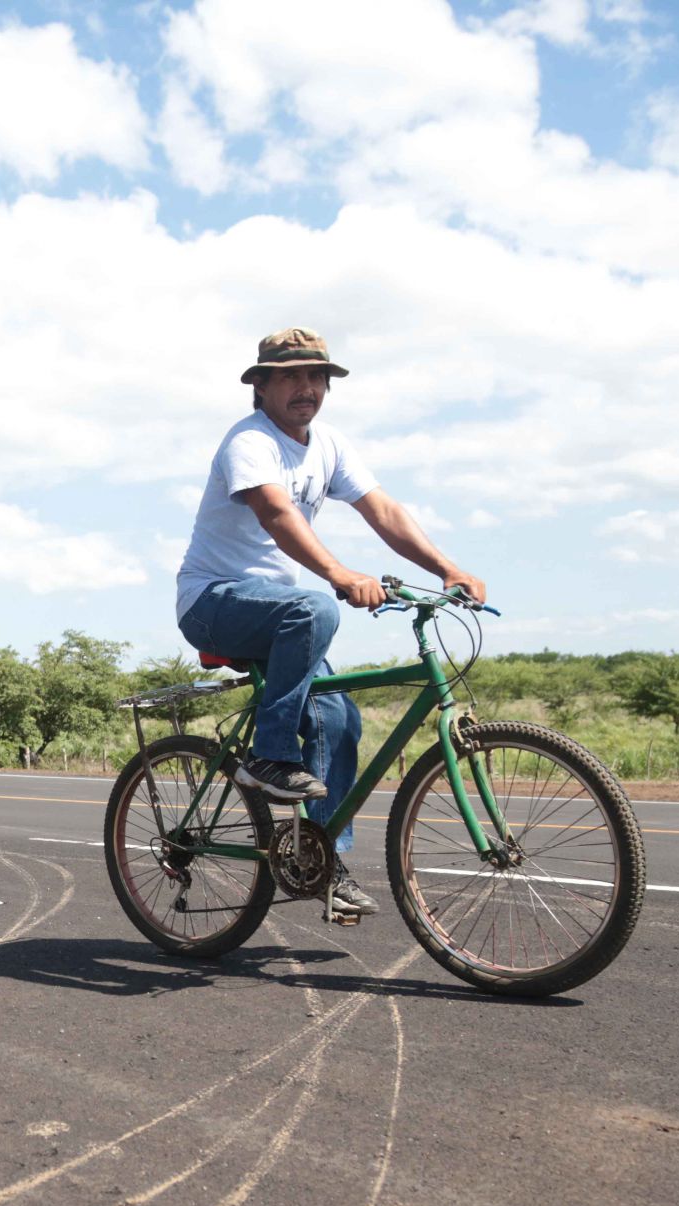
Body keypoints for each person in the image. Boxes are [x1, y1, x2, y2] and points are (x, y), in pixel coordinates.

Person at [175, 328, 485, 918]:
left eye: (317, 376)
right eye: (290, 376)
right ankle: (269, 756)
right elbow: (275, 512)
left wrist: (448, 568)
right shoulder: (249, 441)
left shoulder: (329, 445)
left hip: (278, 617)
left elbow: (383, 510)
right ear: (260, 386)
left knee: (340, 719)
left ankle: (322, 862)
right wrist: (339, 574)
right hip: (214, 602)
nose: (307, 388)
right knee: (315, 605)